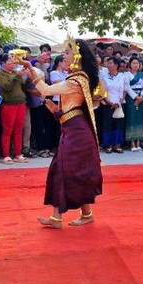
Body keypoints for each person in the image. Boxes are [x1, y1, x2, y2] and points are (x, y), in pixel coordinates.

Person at [29, 39, 103, 228]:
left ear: (77, 55)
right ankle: (75, 215)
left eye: (68, 52)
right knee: (64, 169)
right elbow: (67, 107)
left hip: (77, 132)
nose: (65, 55)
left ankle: (60, 217)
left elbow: (45, 89)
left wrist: (29, 68)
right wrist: (53, 108)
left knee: (66, 170)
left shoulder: (77, 80)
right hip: (72, 128)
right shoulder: (77, 78)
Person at [0, 53, 30, 164]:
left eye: (13, 61)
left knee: (19, 131)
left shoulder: (16, 73)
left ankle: (18, 154)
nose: (12, 63)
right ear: (3, 63)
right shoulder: (0, 74)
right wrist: (17, 76)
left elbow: (24, 87)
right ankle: (6, 155)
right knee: (7, 131)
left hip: (21, 104)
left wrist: (27, 77)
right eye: (9, 61)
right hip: (8, 105)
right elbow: (7, 87)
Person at [100, 56, 126, 153]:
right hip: (107, 103)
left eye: (111, 63)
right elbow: (103, 90)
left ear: (116, 65)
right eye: (108, 63)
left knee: (118, 124)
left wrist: (119, 102)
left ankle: (117, 144)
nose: (108, 65)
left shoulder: (122, 76)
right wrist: (108, 102)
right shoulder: (104, 76)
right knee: (108, 124)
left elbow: (124, 90)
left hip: (118, 104)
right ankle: (108, 144)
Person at [123, 56, 143, 151]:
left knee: (140, 119)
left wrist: (141, 97)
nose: (135, 65)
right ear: (130, 64)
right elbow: (127, 87)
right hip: (131, 99)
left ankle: (138, 142)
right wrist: (135, 97)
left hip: (141, 99)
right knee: (131, 119)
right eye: (133, 63)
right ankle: (132, 142)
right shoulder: (126, 75)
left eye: (137, 63)